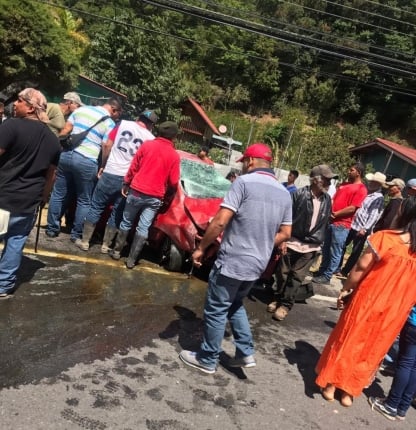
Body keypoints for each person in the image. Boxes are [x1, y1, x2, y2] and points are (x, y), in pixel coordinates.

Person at [179, 143, 292, 374]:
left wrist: (201, 248)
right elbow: (286, 233)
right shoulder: (284, 192)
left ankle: (208, 358)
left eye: (243, 163)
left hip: (233, 260)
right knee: (235, 303)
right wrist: (261, 244)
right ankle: (245, 352)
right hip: (257, 263)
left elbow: (220, 221)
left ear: (250, 162)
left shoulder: (243, 183)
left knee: (216, 308)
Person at [316, 196, 416, 407]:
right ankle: (349, 392)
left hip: (369, 300)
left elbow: (360, 268)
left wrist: (345, 289)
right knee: (373, 348)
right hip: (396, 310)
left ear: (404, 214)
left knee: (349, 339)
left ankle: (332, 385)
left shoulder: (386, 238)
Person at [0, 88, 61, 298]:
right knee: (15, 244)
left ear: (30, 107)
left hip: (3, 197)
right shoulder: (53, 141)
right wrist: (44, 197)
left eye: (19, 100)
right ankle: (4, 286)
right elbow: (51, 176)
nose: (15, 104)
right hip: (27, 203)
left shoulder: (11, 126)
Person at [75, 110, 158, 252]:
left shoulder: (122, 124)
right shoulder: (151, 138)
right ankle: (106, 245)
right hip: (128, 179)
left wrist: (103, 165)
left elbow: (107, 145)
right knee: (117, 212)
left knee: (96, 206)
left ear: (139, 117)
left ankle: (85, 241)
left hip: (110, 171)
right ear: (151, 125)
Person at [46, 98, 121, 241]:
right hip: (88, 160)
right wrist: (103, 165)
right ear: (113, 109)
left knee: (59, 193)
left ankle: (52, 229)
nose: (116, 117)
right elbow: (106, 146)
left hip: (67, 155)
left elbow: (66, 130)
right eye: (117, 114)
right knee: (84, 199)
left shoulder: (80, 110)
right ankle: (76, 234)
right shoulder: (110, 123)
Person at [267, 165, 336, 321]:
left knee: (297, 277)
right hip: (292, 241)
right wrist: (282, 240)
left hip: (311, 246)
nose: (329, 183)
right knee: (282, 274)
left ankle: (285, 305)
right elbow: (285, 218)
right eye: (326, 180)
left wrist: (320, 244)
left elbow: (324, 223)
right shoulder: (299, 195)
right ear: (316, 179)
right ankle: (277, 298)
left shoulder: (327, 199)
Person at [109, 121, 181, 269]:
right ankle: (131, 260)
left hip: (136, 190)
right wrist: (166, 193)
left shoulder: (147, 145)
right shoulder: (174, 155)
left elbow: (133, 166)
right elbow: (174, 182)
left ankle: (117, 252)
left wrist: (126, 183)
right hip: (155, 197)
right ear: (174, 137)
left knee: (126, 222)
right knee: (143, 228)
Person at [312, 162, 367, 285]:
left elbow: (353, 208)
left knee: (336, 251)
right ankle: (322, 271)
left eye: (351, 170)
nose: (349, 171)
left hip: (342, 225)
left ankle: (327, 276)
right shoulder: (344, 184)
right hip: (331, 221)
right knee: (326, 248)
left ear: (358, 172)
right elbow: (334, 200)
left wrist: (336, 214)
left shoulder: (361, 189)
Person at [368, 305, 416, 421]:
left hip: (413, 324)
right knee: (414, 366)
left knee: (405, 363)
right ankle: (402, 407)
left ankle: (391, 405)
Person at [335, 171, 386, 278]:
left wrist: (365, 228)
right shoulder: (368, 193)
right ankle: (337, 266)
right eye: (371, 181)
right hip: (353, 224)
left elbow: (374, 215)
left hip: (361, 227)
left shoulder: (378, 197)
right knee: (342, 245)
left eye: (374, 182)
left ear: (378, 184)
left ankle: (345, 271)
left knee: (355, 251)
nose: (370, 183)